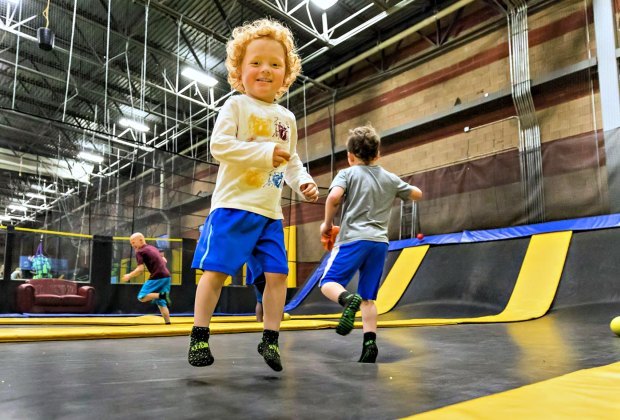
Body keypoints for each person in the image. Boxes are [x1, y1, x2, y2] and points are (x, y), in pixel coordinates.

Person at [188, 18, 318, 372]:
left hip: (270, 214)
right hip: (233, 207)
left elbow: (291, 162)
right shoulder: (236, 106)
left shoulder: (287, 118)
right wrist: (262, 154)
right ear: (239, 71)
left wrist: (303, 182)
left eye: (275, 64)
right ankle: (199, 335)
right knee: (216, 272)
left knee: (278, 276)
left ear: (286, 74)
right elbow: (220, 146)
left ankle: (270, 339)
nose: (265, 70)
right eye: (256, 63)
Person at [319, 125, 423, 363]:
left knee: (328, 282)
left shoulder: (347, 173)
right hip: (379, 243)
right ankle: (369, 344)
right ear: (378, 154)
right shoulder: (389, 178)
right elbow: (417, 193)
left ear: (350, 156)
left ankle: (347, 299)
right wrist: (400, 189)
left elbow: (334, 197)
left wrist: (327, 224)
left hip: (352, 240)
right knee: (368, 298)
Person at [122, 232, 172, 325]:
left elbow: (140, 269)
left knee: (142, 297)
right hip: (166, 276)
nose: (132, 245)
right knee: (161, 303)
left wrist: (129, 275)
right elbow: (164, 260)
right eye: (131, 244)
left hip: (157, 277)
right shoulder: (153, 248)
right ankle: (168, 323)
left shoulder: (140, 252)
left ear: (140, 240)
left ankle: (162, 295)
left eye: (133, 243)